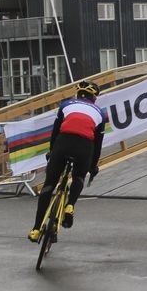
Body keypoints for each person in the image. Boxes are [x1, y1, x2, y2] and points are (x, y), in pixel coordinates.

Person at [30, 81, 105, 243]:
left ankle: (36, 229)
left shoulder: (65, 105)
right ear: (94, 98)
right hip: (84, 147)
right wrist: (92, 166)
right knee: (78, 177)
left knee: (49, 185)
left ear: (78, 94)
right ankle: (70, 205)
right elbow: (97, 145)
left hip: (63, 143)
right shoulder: (100, 113)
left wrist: (52, 153)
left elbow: (55, 133)